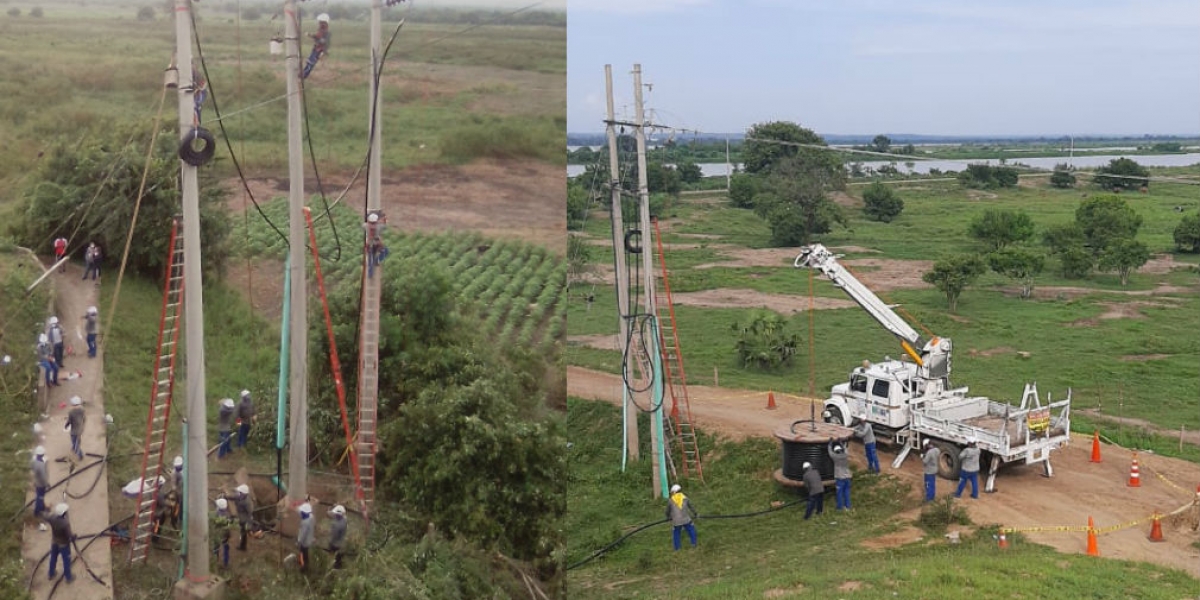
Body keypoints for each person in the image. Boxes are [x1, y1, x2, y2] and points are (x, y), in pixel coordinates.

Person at [47, 503, 75, 583]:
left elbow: (47, 516)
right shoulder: (65, 523)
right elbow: (69, 535)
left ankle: (51, 574)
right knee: (66, 561)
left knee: (53, 558)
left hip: (54, 542)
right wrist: (74, 537)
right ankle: (69, 578)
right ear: (64, 513)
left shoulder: (52, 518)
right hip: (64, 545)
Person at [665, 484, 698, 550]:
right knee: (691, 530)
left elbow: (667, 511)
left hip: (676, 521)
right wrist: (695, 514)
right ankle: (694, 543)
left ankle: (677, 548)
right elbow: (691, 507)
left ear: (674, 491)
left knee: (676, 533)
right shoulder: (685, 498)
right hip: (686, 519)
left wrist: (668, 517)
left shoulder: (671, 500)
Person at [302, 14, 332, 79]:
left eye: (320, 22)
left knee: (311, 63)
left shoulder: (326, 32)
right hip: (316, 48)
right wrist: (310, 35)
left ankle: (304, 75)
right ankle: (303, 74)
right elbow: (317, 37)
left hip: (319, 50)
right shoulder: (321, 30)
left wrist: (323, 52)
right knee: (309, 62)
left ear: (324, 22)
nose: (319, 23)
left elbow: (324, 42)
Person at [363, 211, 388, 278]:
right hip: (377, 244)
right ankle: (377, 261)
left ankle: (370, 274)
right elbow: (385, 226)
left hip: (369, 244)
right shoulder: (379, 226)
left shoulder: (366, 226)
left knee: (370, 258)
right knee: (385, 251)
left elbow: (363, 224)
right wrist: (384, 218)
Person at [828, 439, 852, 510]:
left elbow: (830, 452)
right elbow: (845, 448)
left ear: (836, 451)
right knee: (847, 492)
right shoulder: (845, 455)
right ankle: (848, 506)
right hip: (848, 477)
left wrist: (830, 444)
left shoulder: (835, 457)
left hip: (840, 478)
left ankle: (839, 507)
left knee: (839, 493)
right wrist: (841, 443)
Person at [212, 498, 235, 569]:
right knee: (226, 548)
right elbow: (230, 523)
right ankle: (226, 563)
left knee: (216, 549)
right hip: (226, 535)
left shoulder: (216, 514)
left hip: (218, 534)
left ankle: (215, 562)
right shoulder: (228, 515)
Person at [233, 484, 255, 551]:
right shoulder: (241, 497)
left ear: (243, 493)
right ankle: (242, 546)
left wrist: (249, 524)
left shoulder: (247, 502)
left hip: (245, 520)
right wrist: (226, 496)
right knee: (243, 533)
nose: (238, 493)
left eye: (239, 492)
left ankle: (243, 547)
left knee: (243, 533)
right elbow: (234, 497)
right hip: (241, 518)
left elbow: (250, 513)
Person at [327, 504, 348, 569]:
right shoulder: (344, 519)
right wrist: (330, 509)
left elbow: (334, 536)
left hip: (335, 544)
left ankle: (335, 567)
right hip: (342, 542)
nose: (334, 515)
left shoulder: (336, 524)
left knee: (334, 556)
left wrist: (330, 543)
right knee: (339, 556)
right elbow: (334, 514)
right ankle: (339, 564)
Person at [31, 445, 49, 518]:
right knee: (40, 497)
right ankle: (38, 511)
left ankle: (41, 507)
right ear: (42, 454)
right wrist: (46, 484)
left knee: (40, 496)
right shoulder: (41, 464)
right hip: (41, 484)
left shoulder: (34, 461)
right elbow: (43, 476)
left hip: (37, 481)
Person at [65, 396, 85, 460]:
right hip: (80, 429)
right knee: (77, 442)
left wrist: (66, 426)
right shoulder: (82, 409)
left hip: (74, 431)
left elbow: (69, 421)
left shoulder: (71, 412)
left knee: (75, 443)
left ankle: (80, 455)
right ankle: (76, 449)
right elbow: (84, 418)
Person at [297, 502, 315, 572]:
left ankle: (303, 567)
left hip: (304, 542)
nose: (300, 513)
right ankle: (305, 563)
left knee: (302, 552)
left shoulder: (305, 522)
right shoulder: (311, 517)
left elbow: (302, 535)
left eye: (301, 512)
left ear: (304, 513)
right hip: (309, 538)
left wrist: (298, 541)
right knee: (306, 552)